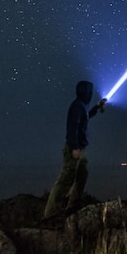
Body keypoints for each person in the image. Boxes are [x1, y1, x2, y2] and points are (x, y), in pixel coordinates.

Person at [43, 80, 107, 219]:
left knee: (81, 176)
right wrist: (75, 147)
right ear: (86, 92)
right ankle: (51, 214)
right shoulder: (77, 106)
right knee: (65, 179)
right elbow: (73, 127)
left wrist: (97, 107)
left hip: (80, 149)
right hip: (75, 148)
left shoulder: (81, 106)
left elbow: (86, 117)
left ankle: (73, 206)